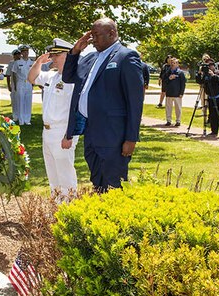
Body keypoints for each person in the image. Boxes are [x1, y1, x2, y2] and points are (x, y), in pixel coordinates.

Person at [62, 18, 144, 192]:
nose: (92, 40)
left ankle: (113, 215)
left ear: (112, 33)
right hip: (91, 130)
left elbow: (135, 101)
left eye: (96, 35)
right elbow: (68, 77)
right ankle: (99, 212)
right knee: (97, 179)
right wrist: (75, 50)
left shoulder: (126, 56)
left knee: (113, 182)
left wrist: (131, 138)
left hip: (113, 134)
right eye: (91, 35)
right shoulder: (91, 58)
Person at [27, 38, 79, 200]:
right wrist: (38, 62)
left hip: (62, 131)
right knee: (52, 172)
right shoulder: (52, 76)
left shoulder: (73, 80)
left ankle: (70, 205)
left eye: (56, 55)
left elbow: (76, 110)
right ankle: (56, 204)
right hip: (47, 131)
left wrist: (68, 135)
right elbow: (32, 78)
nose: (53, 58)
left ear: (67, 55)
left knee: (65, 173)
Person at [196, 58, 219, 139]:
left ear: (213, 66)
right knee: (213, 115)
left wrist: (213, 75)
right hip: (211, 97)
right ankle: (214, 131)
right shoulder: (205, 75)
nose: (209, 67)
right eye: (207, 65)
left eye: (210, 65)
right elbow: (200, 81)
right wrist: (199, 73)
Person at [9, 45, 34, 125]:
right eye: (23, 52)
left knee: (28, 101)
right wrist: (15, 86)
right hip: (20, 83)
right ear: (21, 53)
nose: (25, 53)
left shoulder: (32, 62)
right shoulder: (17, 63)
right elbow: (14, 74)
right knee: (20, 101)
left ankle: (27, 120)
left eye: (27, 51)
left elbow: (34, 74)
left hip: (29, 83)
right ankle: (21, 120)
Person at [162, 57, 186, 127]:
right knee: (168, 108)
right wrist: (169, 78)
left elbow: (183, 84)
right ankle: (168, 120)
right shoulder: (167, 72)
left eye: (175, 63)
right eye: (172, 63)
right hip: (169, 93)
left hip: (177, 94)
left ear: (177, 64)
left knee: (178, 108)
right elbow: (164, 81)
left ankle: (178, 121)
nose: (173, 64)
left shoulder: (180, 73)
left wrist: (181, 93)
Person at [5, 49, 21, 122]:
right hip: (14, 85)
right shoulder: (11, 64)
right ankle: (15, 116)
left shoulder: (23, 62)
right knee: (14, 100)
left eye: (19, 54)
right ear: (13, 56)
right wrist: (9, 85)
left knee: (21, 100)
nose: (18, 56)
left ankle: (21, 115)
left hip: (22, 84)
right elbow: (8, 75)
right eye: (16, 54)